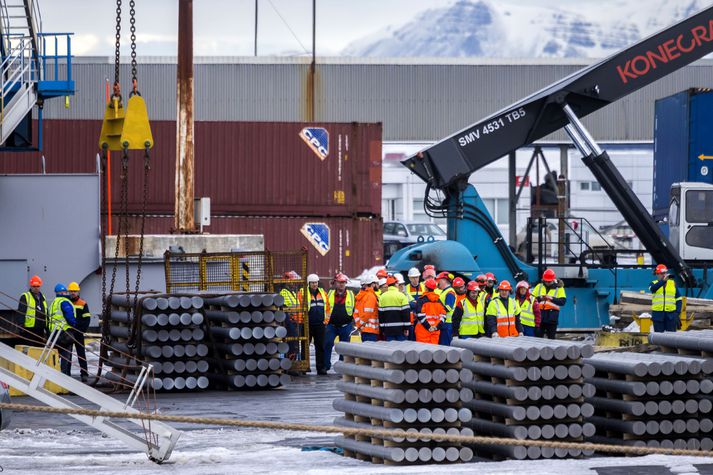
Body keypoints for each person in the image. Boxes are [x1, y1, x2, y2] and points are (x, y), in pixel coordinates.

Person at [324, 273, 355, 371]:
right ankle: (325, 366)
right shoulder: (329, 294)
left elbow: (356, 308)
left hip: (346, 326)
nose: (341, 284)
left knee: (344, 348)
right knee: (327, 344)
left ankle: (343, 366)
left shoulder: (351, 294)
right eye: (339, 282)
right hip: (331, 325)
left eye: (343, 282)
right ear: (335, 283)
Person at [298, 274, 328, 374]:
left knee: (320, 346)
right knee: (305, 346)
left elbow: (327, 308)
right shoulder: (302, 293)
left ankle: (321, 368)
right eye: (312, 283)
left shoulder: (323, 293)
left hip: (320, 324)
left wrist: (326, 321)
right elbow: (300, 307)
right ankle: (304, 367)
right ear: (308, 283)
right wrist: (302, 321)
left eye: (316, 282)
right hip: (307, 324)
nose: (315, 284)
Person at [48, 284, 77, 376]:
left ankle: (54, 374)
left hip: (54, 333)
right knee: (66, 356)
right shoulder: (64, 302)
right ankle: (64, 375)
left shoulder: (53, 303)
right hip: (64, 332)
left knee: (55, 355)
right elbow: (69, 316)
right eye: (65, 292)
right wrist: (74, 325)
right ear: (62, 292)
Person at [532, 269, 566, 340]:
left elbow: (562, 302)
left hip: (552, 318)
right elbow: (531, 299)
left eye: (549, 281)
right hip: (540, 317)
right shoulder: (539, 286)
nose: (547, 282)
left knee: (551, 339)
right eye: (546, 281)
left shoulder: (559, 288)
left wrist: (551, 298)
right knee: (537, 339)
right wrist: (540, 298)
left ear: (553, 280)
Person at [67, 282, 91, 382]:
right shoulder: (66, 302)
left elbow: (87, 319)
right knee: (67, 353)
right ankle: (66, 373)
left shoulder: (83, 304)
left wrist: (81, 330)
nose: (73, 293)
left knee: (81, 353)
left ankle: (84, 374)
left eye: (74, 291)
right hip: (68, 332)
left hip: (78, 332)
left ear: (78, 292)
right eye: (71, 291)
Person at [649, 264, 681, 333]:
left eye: (664, 273)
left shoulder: (672, 284)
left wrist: (677, 313)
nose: (664, 275)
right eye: (661, 273)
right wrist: (663, 281)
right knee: (659, 338)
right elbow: (653, 289)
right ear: (657, 274)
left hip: (671, 316)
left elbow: (679, 299)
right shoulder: (653, 284)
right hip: (658, 316)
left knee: (671, 338)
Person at [378, 276, 411, 341]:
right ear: (396, 284)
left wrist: (382, 329)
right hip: (401, 330)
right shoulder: (402, 296)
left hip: (388, 330)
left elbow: (381, 316)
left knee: (391, 350)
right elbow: (406, 313)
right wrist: (406, 328)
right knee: (401, 350)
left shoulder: (382, 297)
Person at [18, 275, 48, 346]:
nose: (36, 288)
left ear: (40, 286)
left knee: (38, 350)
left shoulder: (43, 297)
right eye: (34, 286)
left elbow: (46, 313)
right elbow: (21, 312)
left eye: (37, 286)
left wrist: (47, 329)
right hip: (29, 330)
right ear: (31, 286)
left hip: (40, 329)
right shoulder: (25, 296)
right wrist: (21, 327)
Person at [280, 271, 302, 363]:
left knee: (295, 345)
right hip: (289, 323)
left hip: (295, 322)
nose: (294, 283)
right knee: (291, 345)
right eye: (292, 281)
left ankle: (294, 362)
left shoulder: (293, 292)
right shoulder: (284, 293)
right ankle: (290, 364)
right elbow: (284, 309)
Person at [414, 278, 445, 344]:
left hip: (422, 331)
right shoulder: (439, 301)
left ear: (426, 288)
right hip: (435, 331)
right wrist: (436, 327)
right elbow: (443, 316)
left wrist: (428, 327)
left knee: (422, 352)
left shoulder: (421, 300)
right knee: (433, 352)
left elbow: (420, 315)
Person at [354, 275, 379, 342]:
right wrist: (361, 325)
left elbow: (356, 313)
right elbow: (367, 313)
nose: (378, 285)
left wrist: (359, 326)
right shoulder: (370, 296)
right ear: (372, 284)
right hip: (370, 331)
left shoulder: (361, 296)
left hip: (364, 330)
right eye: (376, 283)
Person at [436, 272, 457, 345]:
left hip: (447, 323)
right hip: (444, 323)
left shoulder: (450, 292)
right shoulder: (445, 291)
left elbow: (448, 308)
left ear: (444, 280)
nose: (438, 282)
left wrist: (436, 307)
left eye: (439, 280)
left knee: (446, 346)